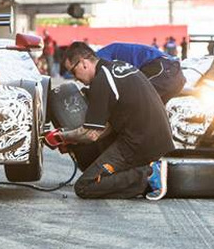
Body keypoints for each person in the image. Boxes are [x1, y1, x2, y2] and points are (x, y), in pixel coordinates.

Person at [44, 41, 174, 201]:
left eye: (73, 72)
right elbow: (108, 127)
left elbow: (91, 134)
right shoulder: (118, 67)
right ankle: (150, 173)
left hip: (138, 143)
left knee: (85, 186)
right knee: (102, 161)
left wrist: (61, 137)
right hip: (159, 141)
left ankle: (148, 175)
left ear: (84, 63)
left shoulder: (101, 81)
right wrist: (73, 139)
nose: (76, 79)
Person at [95, 41, 185, 103]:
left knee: (133, 100)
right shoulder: (112, 50)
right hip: (175, 74)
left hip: (163, 68)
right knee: (153, 112)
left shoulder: (100, 56)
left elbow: (106, 78)